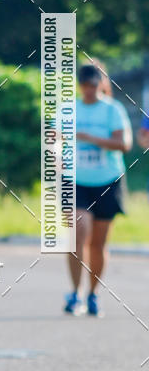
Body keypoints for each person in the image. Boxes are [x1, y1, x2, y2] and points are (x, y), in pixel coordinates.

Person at [65, 63, 132, 317]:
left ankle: (93, 294)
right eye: (85, 87)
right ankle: (74, 293)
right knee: (78, 232)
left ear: (100, 84)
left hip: (108, 181)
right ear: (80, 86)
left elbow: (124, 144)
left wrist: (89, 138)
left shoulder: (112, 110)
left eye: (93, 86)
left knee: (97, 244)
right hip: (76, 181)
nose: (89, 91)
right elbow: (54, 140)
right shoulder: (69, 109)